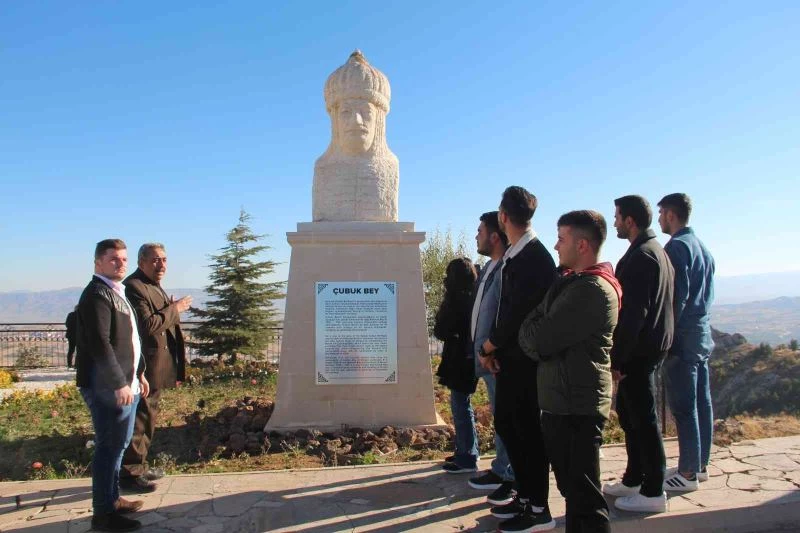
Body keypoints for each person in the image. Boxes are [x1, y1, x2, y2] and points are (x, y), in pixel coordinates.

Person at [519, 210, 621, 533]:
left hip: (576, 406)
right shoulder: (569, 284)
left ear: (582, 245)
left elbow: (540, 340)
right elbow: (531, 326)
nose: (555, 246)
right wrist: (538, 325)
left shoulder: (591, 290)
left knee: (585, 501)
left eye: (561, 239)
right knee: (574, 495)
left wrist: (538, 328)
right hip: (563, 403)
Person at [479, 186, 557, 533]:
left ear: (503, 217)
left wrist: (489, 346)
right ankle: (525, 496)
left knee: (527, 433)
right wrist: (496, 351)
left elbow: (516, 314)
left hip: (527, 362)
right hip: (511, 360)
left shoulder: (534, 257)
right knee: (510, 426)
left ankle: (538, 508)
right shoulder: (517, 253)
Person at [603, 195, 674, 513]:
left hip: (639, 352)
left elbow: (634, 315)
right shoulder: (653, 250)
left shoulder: (643, 256)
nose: (615, 223)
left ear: (629, 221)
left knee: (644, 420)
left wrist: (618, 359)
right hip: (647, 348)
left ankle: (653, 490)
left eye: (617, 217)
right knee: (630, 415)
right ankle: (633, 478)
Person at [76, 239, 149, 532]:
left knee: (118, 446)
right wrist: (119, 383)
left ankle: (113, 499)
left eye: (123, 259)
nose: (121, 264)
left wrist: (139, 374)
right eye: (113, 259)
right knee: (109, 448)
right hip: (107, 389)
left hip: (126, 384)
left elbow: (129, 340)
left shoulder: (115, 291)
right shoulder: (97, 295)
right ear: (98, 263)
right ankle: (103, 514)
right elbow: (100, 343)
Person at [120, 243, 191, 492]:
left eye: (164, 259)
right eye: (155, 260)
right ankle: (129, 473)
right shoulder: (134, 286)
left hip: (156, 366)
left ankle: (139, 466)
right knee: (140, 417)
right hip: (145, 366)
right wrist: (175, 309)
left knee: (148, 416)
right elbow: (147, 325)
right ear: (141, 262)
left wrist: (169, 307)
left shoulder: (152, 285)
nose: (161, 265)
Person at [658, 193, 716, 492]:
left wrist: (664, 338)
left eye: (661, 214)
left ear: (670, 214)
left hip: (682, 339)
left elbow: (675, 299)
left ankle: (688, 473)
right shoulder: (702, 248)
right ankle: (700, 464)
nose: (659, 219)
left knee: (683, 407)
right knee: (702, 402)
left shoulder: (676, 248)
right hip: (701, 335)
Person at [467, 211, 516, 506]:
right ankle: (501, 468)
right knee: (501, 418)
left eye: (480, 231)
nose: (477, 236)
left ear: (495, 236)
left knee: (509, 420)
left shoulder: (507, 268)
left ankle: (510, 475)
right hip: (484, 356)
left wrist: (491, 348)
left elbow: (505, 315)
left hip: (496, 358)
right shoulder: (489, 268)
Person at [434, 258, 479, 474]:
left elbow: (442, 329)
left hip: (459, 359)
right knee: (462, 406)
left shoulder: (457, 299)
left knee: (460, 407)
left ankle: (467, 456)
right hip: (466, 358)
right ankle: (466, 450)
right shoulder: (473, 296)